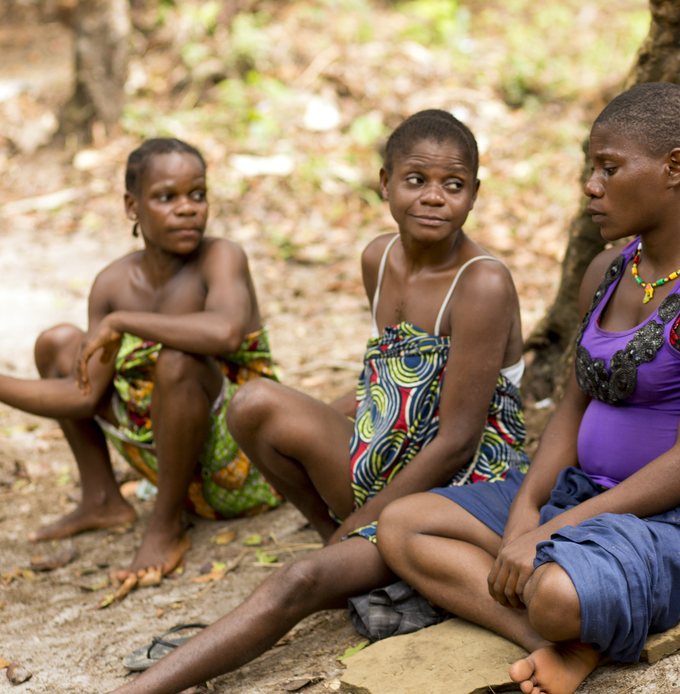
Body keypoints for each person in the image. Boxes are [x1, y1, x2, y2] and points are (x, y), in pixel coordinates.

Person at [103, 109, 527, 692]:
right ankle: (352, 562)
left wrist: (357, 526)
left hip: (456, 494)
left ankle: (143, 687)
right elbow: (393, 383)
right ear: (384, 183)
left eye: (453, 185)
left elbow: (456, 441)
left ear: (474, 194)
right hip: (386, 466)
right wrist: (350, 511)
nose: (433, 198)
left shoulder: (481, 282)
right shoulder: (379, 258)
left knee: (297, 580)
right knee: (252, 403)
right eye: (415, 181)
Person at [377, 82, 680, 694]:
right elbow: (570, 408)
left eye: (608, 168)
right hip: (584, 495)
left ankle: (561, 618)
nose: (591, 185)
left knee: (556, 592)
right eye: (591, 167)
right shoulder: (608, 271)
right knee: (403, 525)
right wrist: (529, 509)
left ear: (674, 168)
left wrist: (547, 535)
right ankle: (554, 645)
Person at [0, 138, 281, 584]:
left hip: (242, 465)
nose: (188, 209)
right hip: (165, 458)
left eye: (197, 194)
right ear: (132, 206)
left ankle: (164, 527)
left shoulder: (221, 258)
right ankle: (102, 498)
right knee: (59, 343)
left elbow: (226, 331)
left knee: (178, 359)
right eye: (167, 197)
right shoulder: (113, 282)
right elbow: (82, 395)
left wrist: (125, 322)